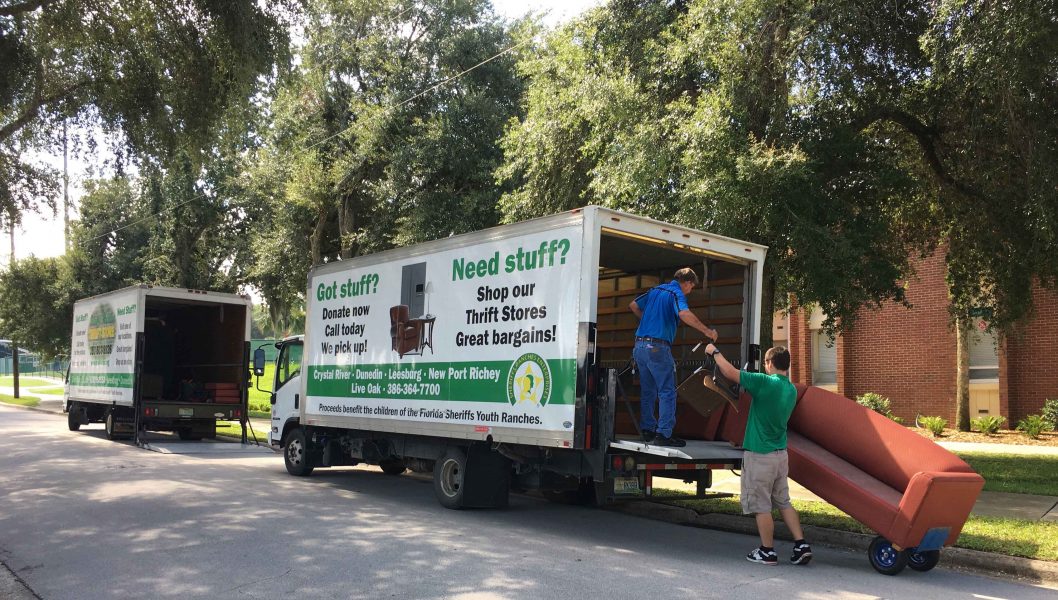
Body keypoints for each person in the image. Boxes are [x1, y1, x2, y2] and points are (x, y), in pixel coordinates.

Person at [705, 343, 812, 566]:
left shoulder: (764, 382)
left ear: (770, 363)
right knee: (784, 501)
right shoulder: (791, 389)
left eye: (765, 363)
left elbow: (731, 373)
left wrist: (714, 352)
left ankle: (767, 551)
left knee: (761, 506)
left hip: (760, 455)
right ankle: (801, 545)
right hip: (780, 454)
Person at [628, 267, 718, 447]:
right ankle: (663, 434)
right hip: (658, 348)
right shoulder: (676, 293)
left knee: (648, 391)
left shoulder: (655, 291)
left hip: (640, 346)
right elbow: (684, 313)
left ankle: (647, 430)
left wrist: (649, 321)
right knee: (667, 391)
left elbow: (634, 305)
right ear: (688, 282)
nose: (690, 291)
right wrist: (707, 331)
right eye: (691, 287)